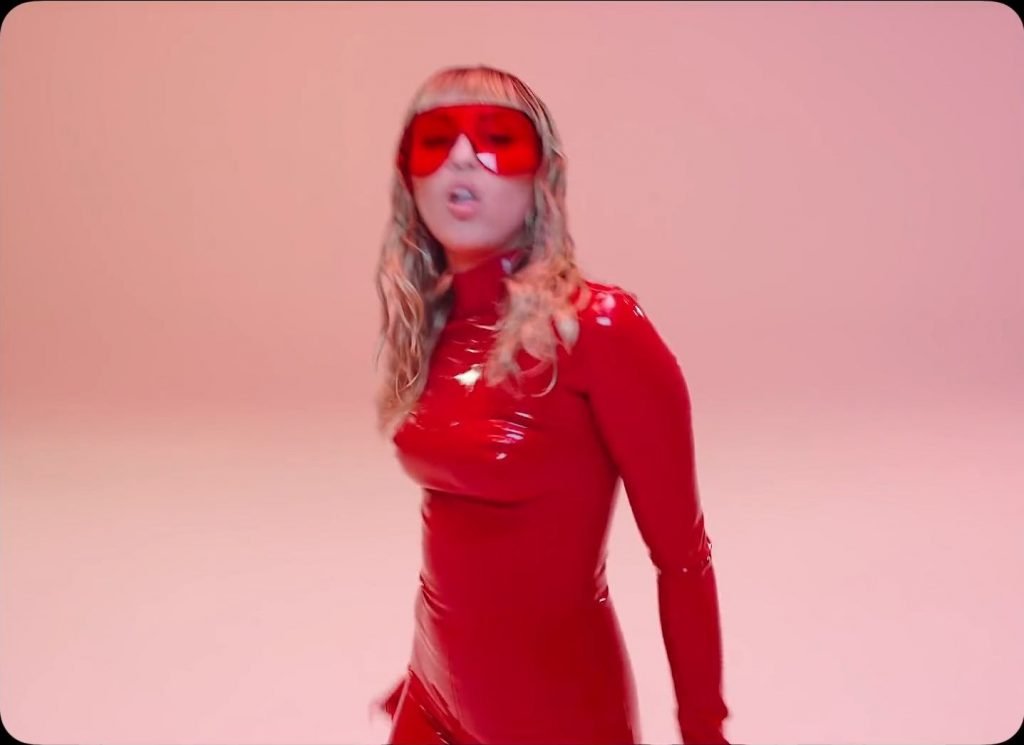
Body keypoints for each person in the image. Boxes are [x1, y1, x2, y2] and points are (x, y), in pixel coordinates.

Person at [369, 64, 731, 745]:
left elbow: (683, 559)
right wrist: (426, 668)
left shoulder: (599, 330)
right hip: (434, 688)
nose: (461, 159)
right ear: (407, 177)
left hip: (555, 714)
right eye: (435, 140)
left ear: (543, 173)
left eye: (497, 138)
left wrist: (703, 729)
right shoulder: (435, 323)